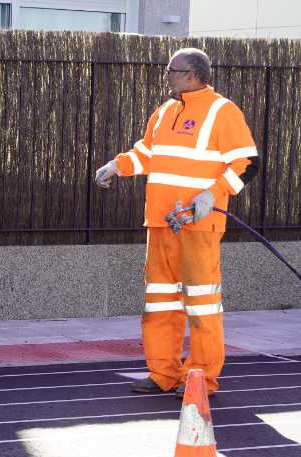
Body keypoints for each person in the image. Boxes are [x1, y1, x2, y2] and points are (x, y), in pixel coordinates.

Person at [94, 47, 259, 397]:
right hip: (160, 223)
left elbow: (246, 163)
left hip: (198, 225)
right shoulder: (166, 110)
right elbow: (147, 154)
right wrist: (116, 166)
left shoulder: (222, 111)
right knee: (160, 303)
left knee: (201, 305)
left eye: (172, 69)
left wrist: (211, 196)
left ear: (193, 74)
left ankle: (200, 379)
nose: (166, 75)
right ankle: (163, 374)